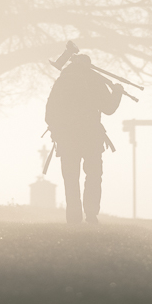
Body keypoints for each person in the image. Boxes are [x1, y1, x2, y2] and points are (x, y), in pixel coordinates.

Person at [44, 54, 123, 224]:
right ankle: (91, 215)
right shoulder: (94, 81)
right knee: (94, 176)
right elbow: (109, 108)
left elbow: (49, 114)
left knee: (71, 178)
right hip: (91, 137)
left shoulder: (61, 82)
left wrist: (57, 131)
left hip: (67, 139)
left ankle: (73, 218)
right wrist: (117, 92)